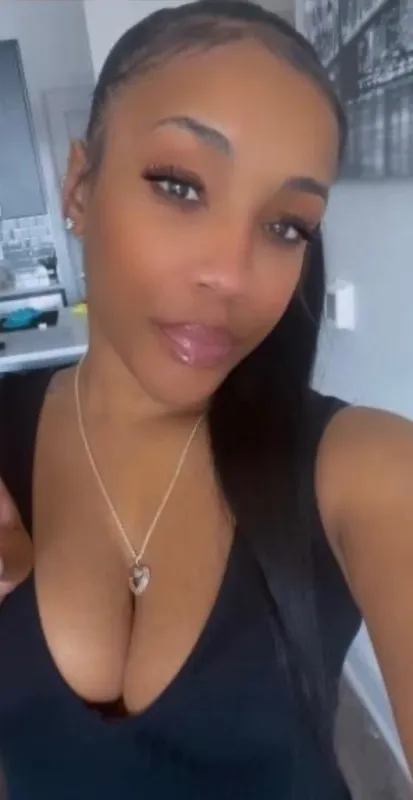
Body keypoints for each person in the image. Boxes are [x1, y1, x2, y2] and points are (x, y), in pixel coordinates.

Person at [0, 1, 412, 797]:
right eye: (180, 186)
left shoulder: (365, 468)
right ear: (79, 187)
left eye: (286, 227)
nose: (231, 274)